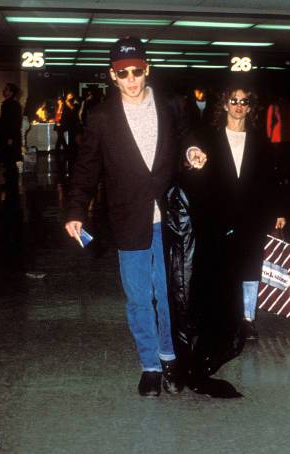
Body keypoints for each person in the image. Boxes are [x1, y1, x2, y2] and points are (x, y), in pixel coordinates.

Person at [64, 37, 206, 398]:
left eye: (137, 71)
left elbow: (187, 133)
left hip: (169, 217)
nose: (131, 79)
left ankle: (170, 356)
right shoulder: (100, 117)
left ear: (148, 70)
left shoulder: (171, 105)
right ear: (113, 76)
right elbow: (86, 168)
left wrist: (192, 149)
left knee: (170, 292)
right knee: (140, 297)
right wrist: (76, 210)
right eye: (122, 73)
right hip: (128, 219)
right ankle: (150, 365)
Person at [189, 86, 286, 347]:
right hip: (215, 214)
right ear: (224, 104)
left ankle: (247, 319)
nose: (239, 106)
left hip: (251, 215)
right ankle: (210, 317)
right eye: (234, 100)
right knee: (213, 265)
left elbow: (270, 180)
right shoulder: (207, 137)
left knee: (249, 266)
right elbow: (193, 172)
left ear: (250, 107)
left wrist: (277, 211)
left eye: (244, 102)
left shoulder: (261, 141)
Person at [266, 96, 290, 185]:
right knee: (288, 155)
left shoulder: (274, 106)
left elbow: (269, 121)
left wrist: (269, 135)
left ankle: (280, 176)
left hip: (278, 134)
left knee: (279, 156)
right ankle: (288, 175)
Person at [0, 83, 22, 188]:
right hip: (8, 136)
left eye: (6, 89)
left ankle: (10, 184)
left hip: (9, 137)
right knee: (9, 160)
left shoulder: (10, 105)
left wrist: (10, 137)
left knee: (9, 160)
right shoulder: (11, 104)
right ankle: (10, 184)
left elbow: (13, 122)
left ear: (11, 92)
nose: (4, 91)